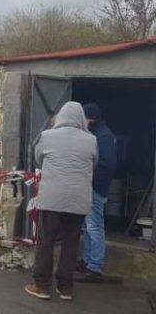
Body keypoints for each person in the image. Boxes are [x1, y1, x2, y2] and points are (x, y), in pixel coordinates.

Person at [25, 101, 98, 301]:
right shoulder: (91, 139)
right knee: (71, 243)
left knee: (46, 241)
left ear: (61, 116)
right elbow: (95, 162)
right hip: (79, 200)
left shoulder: (47, 136)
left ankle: (41, 285)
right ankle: (65, 288)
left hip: (52, 197)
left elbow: (39, 159)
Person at [75, 103, 117, 283]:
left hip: (95, 188)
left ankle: (95, 268)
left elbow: (107, 166)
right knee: (87, 227)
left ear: (90, 118)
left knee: (94, 227)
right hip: (91, 187)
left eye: (84, 118)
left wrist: (88, 180)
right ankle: (87, 261)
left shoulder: (104, 137)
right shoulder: (98, 134)